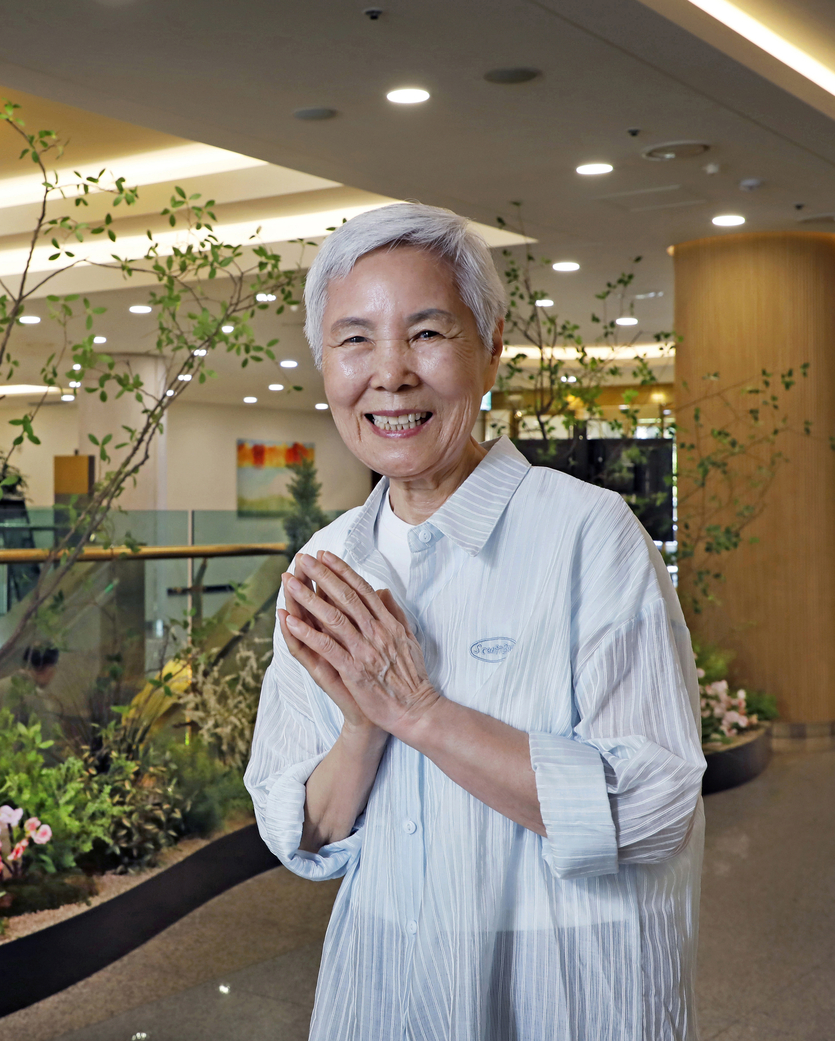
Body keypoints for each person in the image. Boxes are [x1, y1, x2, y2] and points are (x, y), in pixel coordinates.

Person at [244, 202, 705, 1040]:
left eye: (426, 332)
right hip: (380, 984)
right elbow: (298, 827)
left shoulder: (587, 533)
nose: (389, 373)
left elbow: (649, 802)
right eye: (354, 340)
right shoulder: (327, 560)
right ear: (323, 364)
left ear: (490, 348)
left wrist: (419, 713)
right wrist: (361, 727)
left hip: (560, 988)